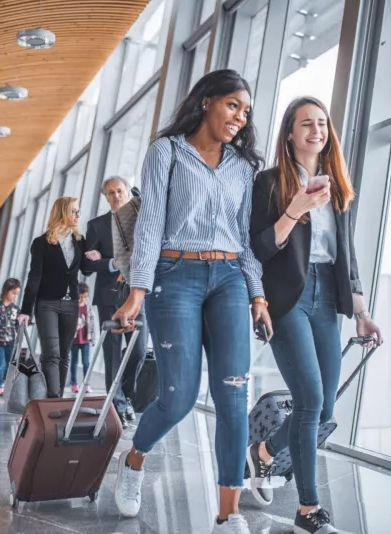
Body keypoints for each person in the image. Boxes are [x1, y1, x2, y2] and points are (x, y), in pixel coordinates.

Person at [111, 69, 268, 533]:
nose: (240, 117)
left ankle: (228, 514)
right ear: (207, 101)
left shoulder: (244, 167)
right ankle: (134, 460)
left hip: (229, 278)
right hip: (174, 276)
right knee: (178, 398)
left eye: (246, 110)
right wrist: (137, 291)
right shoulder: (167, 152)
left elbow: (243, 237)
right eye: (232, 105)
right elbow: (151, 223)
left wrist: (256, 292)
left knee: (233, 396)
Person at [247, 96, 382, 534]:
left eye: (322, 123)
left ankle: (265, 453)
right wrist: (296, 210)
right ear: (290, 133)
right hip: (287, 299)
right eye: (306, 123)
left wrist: (360, 311)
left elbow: (347, 254)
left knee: (323, 411)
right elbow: (261, 248)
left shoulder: (336, 186)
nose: (316, 131)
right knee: (309, 400)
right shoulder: (268, 183)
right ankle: (308, 510)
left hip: (328, 298)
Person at [82, 176, 149, 428]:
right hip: (109, 294)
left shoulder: (143, 219)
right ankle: (117, 407)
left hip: (139, 293)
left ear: (127, 192)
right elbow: (87, 266)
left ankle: (125, 395)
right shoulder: (97, 226)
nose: (116, 196)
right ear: (106, 197)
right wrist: (110, 262)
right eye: (110, 193)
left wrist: (109, 258)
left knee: (139, 350)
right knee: (112, 352)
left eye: (119, 191)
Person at [18, 197, 86, 398]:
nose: (78, 215)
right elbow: (34, 277)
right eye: (74, 211)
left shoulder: (80, 242)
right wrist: (25, 310)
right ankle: (53, 400)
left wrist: (103, 260)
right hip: (46, 303)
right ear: (62, 213)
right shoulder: (41, 243)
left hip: (71, 304)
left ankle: (57, 398)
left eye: (78, 211)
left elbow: (87, 270)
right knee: (52, 353)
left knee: (64, 354)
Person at [69, 282, 96, 394]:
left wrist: (93, 339)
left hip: (85, 340)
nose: (83, 299)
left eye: (85, 297)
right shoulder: (71, 306)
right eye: (81, 297)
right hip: (74, 340)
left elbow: (93, 324)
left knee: (86, 362)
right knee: (74, 362)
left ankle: (86, 384)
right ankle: (74, 384)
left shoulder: (88, 307)